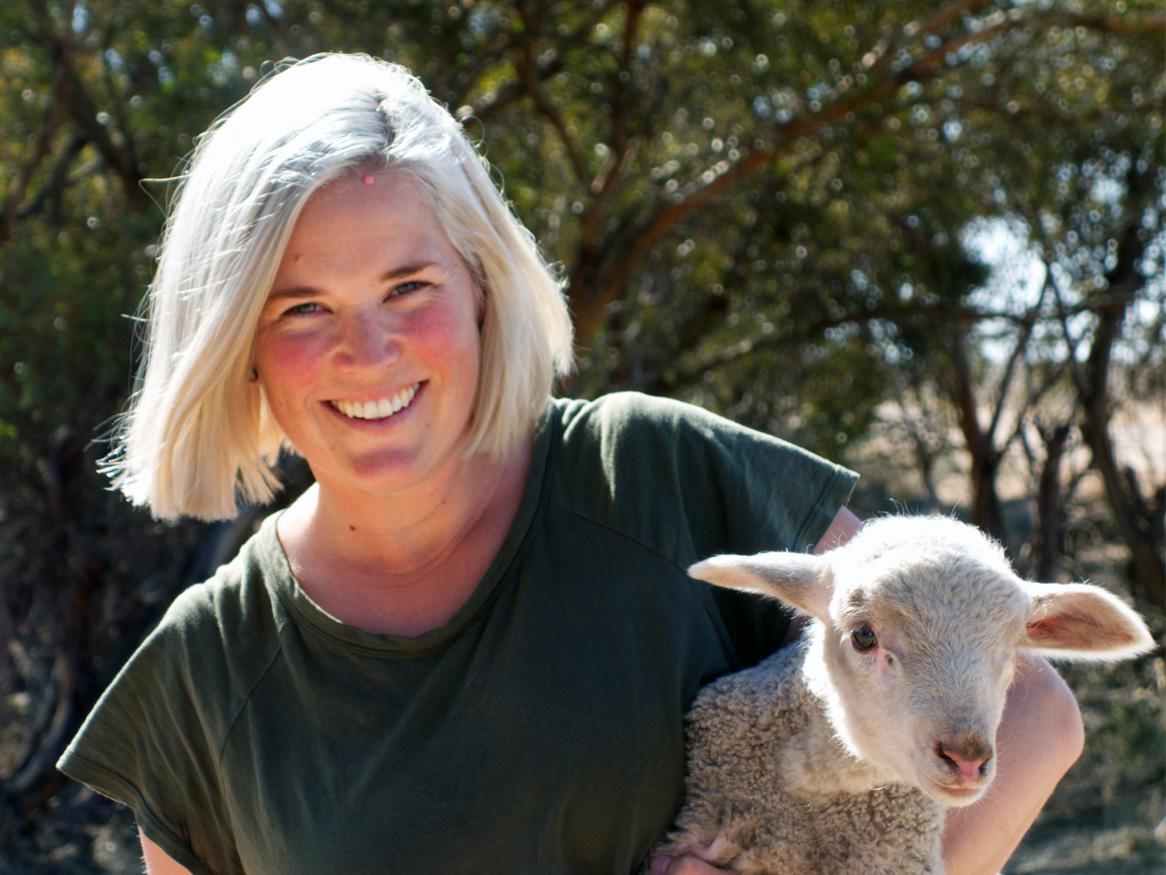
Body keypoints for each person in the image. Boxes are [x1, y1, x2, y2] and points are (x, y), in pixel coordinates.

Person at [57, 53, 1083, 875]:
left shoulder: (648, 474)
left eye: (408, 285)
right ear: (234, 337)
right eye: (301, 306)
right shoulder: (207, 667)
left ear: (482, 288)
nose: (366, 352)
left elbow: (1029, 712)